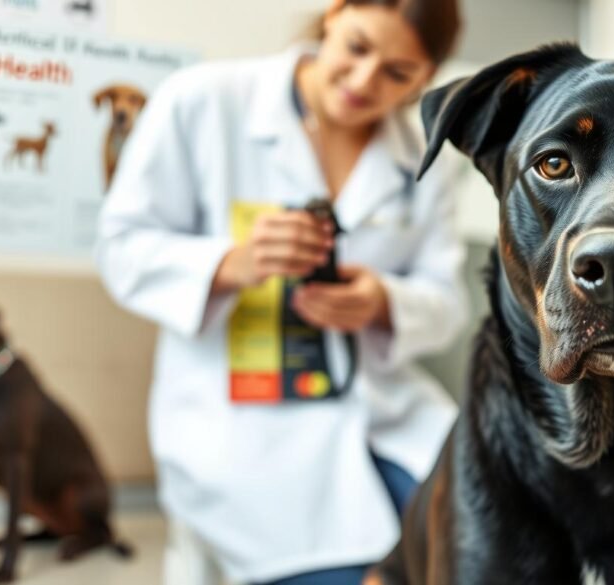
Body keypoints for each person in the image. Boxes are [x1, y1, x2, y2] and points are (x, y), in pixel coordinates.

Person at [95, 1, 466, 583]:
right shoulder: (204, 101)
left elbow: (448, 303)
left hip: (387, 410)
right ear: (334, 16)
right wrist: (231, 264)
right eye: (358, 47)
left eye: (398, 74)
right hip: (245, 423)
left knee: (489, 547)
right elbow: (120, 248)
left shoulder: (427, 154)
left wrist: (384, 302)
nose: (365, 83)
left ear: (426, 78)